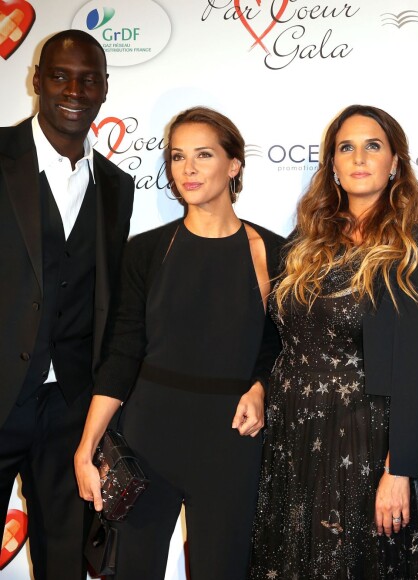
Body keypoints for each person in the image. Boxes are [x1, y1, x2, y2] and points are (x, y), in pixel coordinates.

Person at [74, 106, 285, 579]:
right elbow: (123, 353)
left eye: (204, 155)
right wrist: (86, 447)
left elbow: (281, 350)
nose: (187, 169)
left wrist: (261, 388)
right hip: (149, 439)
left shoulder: (274, 253)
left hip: (231, 442)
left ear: (234, 165)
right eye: (177, 156)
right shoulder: (146, 251)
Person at [250, 104, 418, 579]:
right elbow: (277, 340)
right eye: (347, 147)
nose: (359, 157)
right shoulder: (301, 245)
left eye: (373, 146)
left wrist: (400, 469)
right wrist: (259, 386)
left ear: (395, 164)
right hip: (291, 434)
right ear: (334, 167)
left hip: (363, 440)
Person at [0, 30, 134, 579]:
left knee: (64, 561)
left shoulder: (117, 186)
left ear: (104, 89)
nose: (75, 90)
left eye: (89, 79)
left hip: (70, 411)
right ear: (36, 81)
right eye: (61, 75)